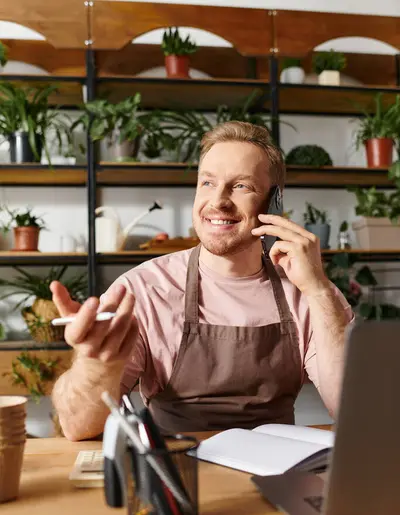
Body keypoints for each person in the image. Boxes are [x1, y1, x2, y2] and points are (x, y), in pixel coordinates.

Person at [51, 121, 352, 441]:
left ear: (273, 202)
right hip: (177, 473)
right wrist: (96, 365)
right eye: (208, 183)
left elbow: (354, 410)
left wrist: (318, 290)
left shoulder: (308, 293)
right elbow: (76, 426)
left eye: (241, 186)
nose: (218, 200)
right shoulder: (145, 289)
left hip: (277, 474)